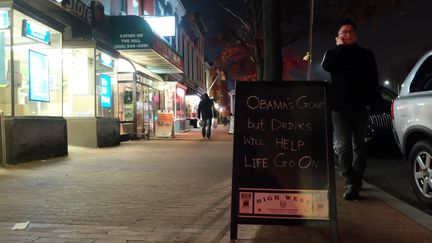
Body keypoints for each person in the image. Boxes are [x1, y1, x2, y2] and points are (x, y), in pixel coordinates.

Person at [321, 18, 381, 201]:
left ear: (356, 35)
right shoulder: (332, 53)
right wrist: (340, 48)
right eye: (343, 32)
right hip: (339, 106)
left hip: (360, 106)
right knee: (343, 145)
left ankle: (356, 177)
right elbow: (327, 66)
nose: (347, 34)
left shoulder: (366, 54)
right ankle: (350, 179)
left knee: (360, 145)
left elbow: (373, 79)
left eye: (350, 32)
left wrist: (375, 102)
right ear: (338, 37)